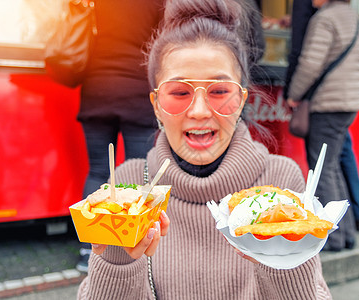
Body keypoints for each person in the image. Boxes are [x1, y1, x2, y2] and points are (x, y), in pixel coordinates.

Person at [77, 0, 332, 298]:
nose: (199, 111)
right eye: (180, 92)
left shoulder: (280, 183)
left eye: (220, 91)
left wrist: (286, 258)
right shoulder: (127, 189)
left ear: (241, 100)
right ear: (156, 104)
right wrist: (116, 260)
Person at [75, 0, 165, 272]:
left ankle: (87, 250)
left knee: (99, 171)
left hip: (98, 87)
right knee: (138, 174)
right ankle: (134, 242)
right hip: (137, 90)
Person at [287, 0, 359, 251]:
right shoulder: (355, 20)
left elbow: (309, 64)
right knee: (333, 168)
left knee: (323, 170)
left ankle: (333, 238)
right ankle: (347, 234)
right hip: (349, 105)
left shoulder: (325, 19)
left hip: (328, 105)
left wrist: (294, 93)